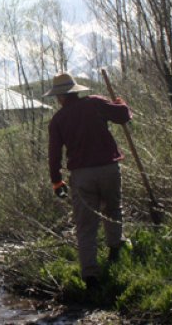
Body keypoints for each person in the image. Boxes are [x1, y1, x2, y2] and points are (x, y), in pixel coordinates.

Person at [45, 72, 132, 290]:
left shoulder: (58, 120)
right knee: (113, 210)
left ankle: (91, 277)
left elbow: (54, 155)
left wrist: (57, 182)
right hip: (109, 168)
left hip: (82, 176)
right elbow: (123, 116)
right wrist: (121, 104)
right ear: (75, 90)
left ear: (60, 97)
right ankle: (116, 251)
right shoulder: (95, 103)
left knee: (86, 226)